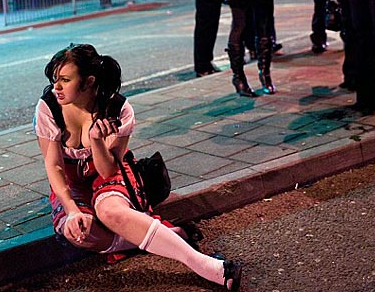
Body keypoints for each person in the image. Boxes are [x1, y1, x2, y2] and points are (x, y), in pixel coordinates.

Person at [34, 43, 243, 291]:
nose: (56, 86)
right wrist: (71, 210)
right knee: (77, 232)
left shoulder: (117, 109)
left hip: (107, 173)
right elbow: (54, 166)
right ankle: (165, 235)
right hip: (71, 181)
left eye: (65, 80)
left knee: (110, 212)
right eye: (55, 78)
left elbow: (108, 171)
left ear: (88, 81)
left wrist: (97, 141)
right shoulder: (47, 107)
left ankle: (210, 267)